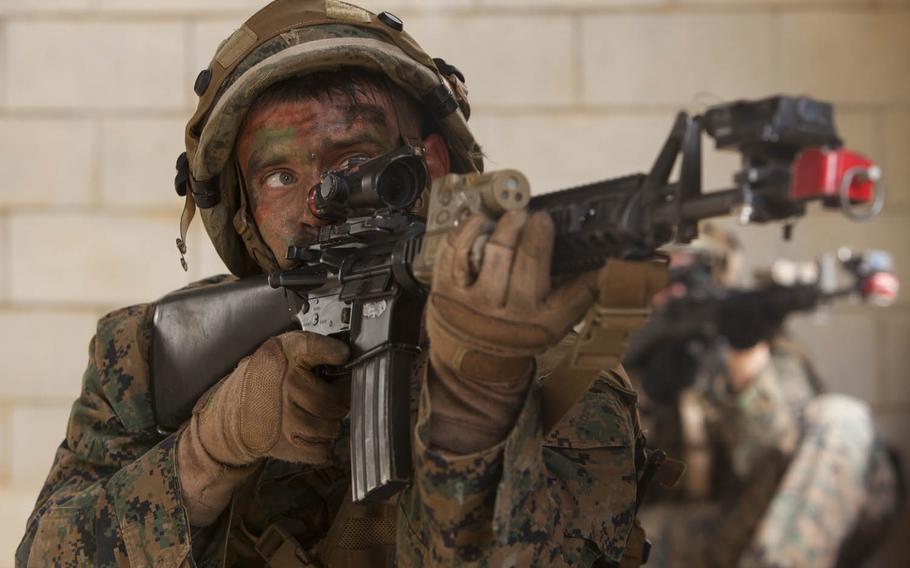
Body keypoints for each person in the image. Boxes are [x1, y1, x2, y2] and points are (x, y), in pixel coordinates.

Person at [16, 1, 662, 566]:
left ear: (432, 167)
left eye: (354, 162)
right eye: (277, 176)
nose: (320, 199)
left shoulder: (562, 380)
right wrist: (208, 452)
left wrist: (478, 399)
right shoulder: (147, 354)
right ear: (241, 211)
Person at [625, 234, 903, 568]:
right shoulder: (622, 361)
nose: (680, 291)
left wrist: (746, 359)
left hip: (768, 516)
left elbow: (771, 459)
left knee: (842, 419)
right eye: (663, 276)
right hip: (696, 528)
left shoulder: (774, 353)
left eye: (693, 274)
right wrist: (645, 402)